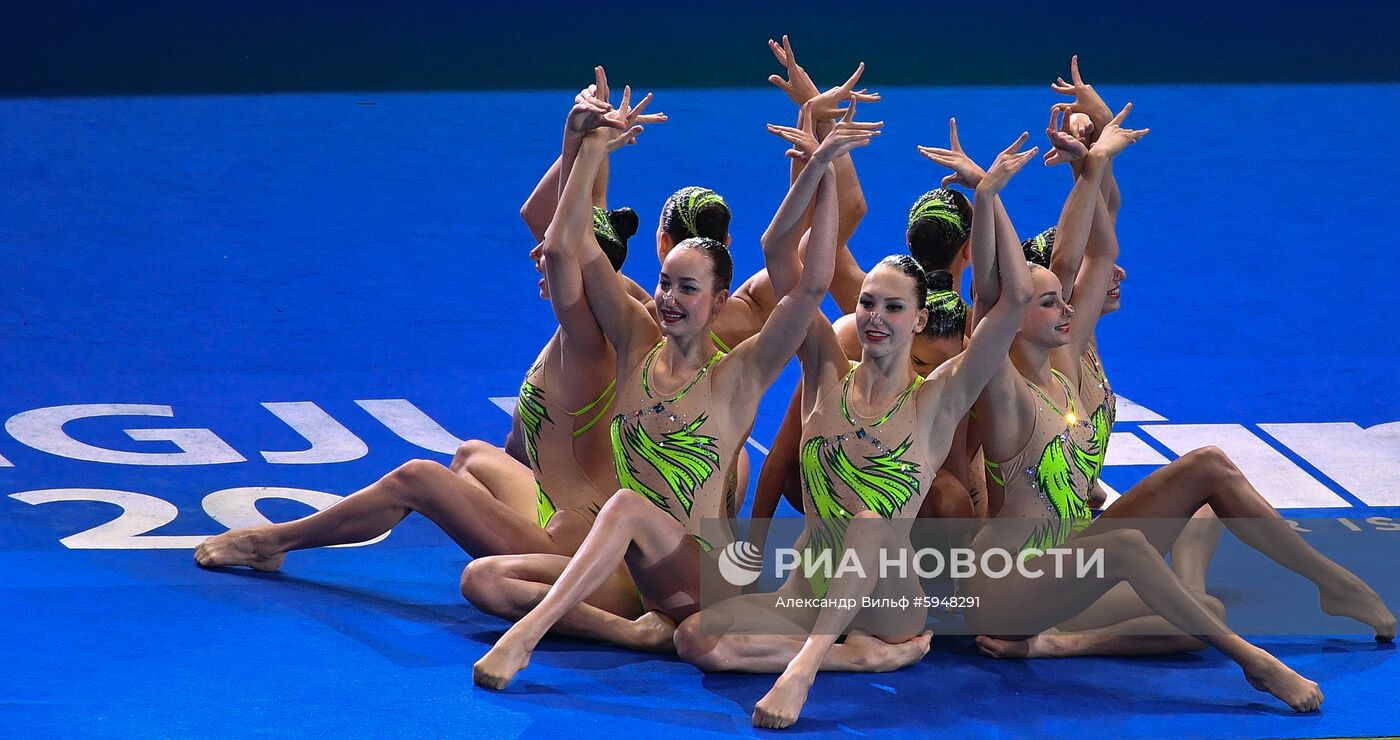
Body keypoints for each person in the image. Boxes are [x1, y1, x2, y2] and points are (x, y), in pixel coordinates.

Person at [953, 105, 1392, 713]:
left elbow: (1096, 250)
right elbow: (988, 292)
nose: (1066, 307)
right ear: (1014, 315)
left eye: (1065, 300)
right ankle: (1256, 664)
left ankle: (1332, 584)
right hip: (1006, 584)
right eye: (1050, 302)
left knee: (1202, 542)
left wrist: (1096, 165)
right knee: (1132, 549)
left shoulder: (1070, 353)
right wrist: (988, 197)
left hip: (1068, 557)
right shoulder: (999, 385)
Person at [191, 77, 657, 631]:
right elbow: (546, 218)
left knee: (420, 477)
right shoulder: (606, 298)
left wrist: (579, 145)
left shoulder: (593, 333)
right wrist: (584, 138)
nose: (538, 254)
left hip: (589, 563)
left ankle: (273, 541)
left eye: (553, 257)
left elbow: (558, 242)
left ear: (583, 268)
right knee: (470, 457)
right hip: (558, 515)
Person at [469, 99, 881, 690]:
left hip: (705, 577)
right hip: (635, 572)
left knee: (628, 506)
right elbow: (566, 245)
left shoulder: (741, 371)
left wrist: (817, 174)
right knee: (483, 581)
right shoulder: (635, 336)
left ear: (718, 302)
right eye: (665, 283)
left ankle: (525, 638)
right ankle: (637, 631)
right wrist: (581, 144)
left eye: (687, 289)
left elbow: (810, 281)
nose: (667, 297)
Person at [671, 132, 1040, 730]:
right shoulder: (825, 371)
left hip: (888, 599)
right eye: (868, 303)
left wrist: (989, 196)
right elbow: (778, 250)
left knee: (870, 523)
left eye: (894, 308)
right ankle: (861, 659)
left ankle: (807, 669)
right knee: (697, 641)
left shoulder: (938, 399)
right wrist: (816, 168)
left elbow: (1014, 302)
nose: (875, 317)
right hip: (811, 588)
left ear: (920, 318)